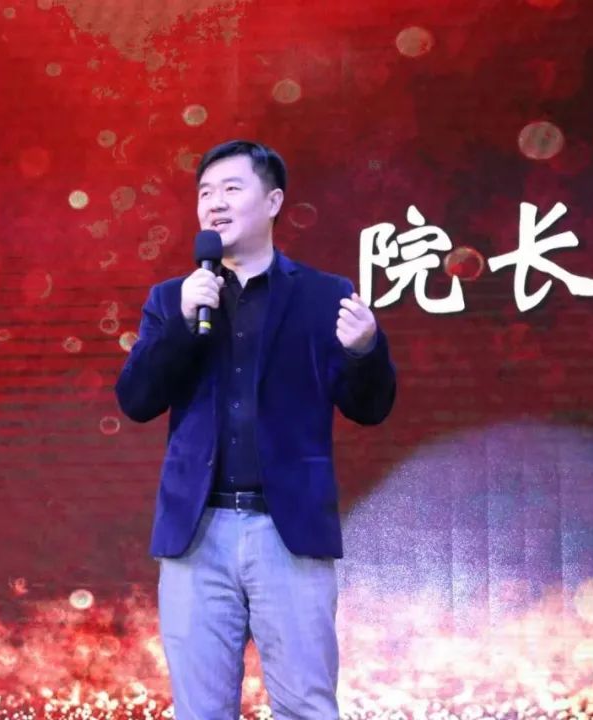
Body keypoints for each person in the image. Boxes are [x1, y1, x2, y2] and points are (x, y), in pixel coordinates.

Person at [115, 140, 397, 719]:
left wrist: (365, 350)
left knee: (305, 705)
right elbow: (137, 400)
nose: (214, 203)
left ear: (272, 201)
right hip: (196, 534)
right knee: (200, 710)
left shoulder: (324, 296)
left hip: (286, 531)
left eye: (231, 188)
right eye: (204, 193)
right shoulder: (172, 299)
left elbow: (369, 408)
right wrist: (182, 323)